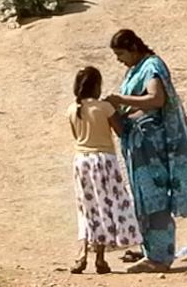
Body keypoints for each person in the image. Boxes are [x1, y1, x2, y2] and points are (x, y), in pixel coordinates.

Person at [107, 29, 187, 273]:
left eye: (121, 53)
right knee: (143, 197)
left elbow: (156, 99)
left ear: (133, 47)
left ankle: (161, 257)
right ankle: (149, 250)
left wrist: (120, 99)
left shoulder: (152, 66)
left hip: (152, 145)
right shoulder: (134, 69)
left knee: (155, 197)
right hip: (137, 143)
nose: (119, 59)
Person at [69, 66, 141, 274]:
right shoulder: (105, 108)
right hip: (104, 161)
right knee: (104, 206)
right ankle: (99, 258)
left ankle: (81, 255)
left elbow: (76, 136)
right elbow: (120, 131)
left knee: (86, 207)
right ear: (97, 86)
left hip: (81, 160)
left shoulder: (72, 109)